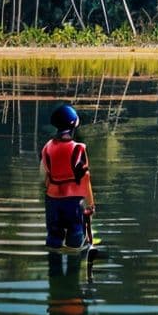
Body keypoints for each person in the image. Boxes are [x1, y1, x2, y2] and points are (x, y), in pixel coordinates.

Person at [41, 104, 95, 250]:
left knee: (53, 238)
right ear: (73, 126)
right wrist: (90, 205)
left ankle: (54, 267)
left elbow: (45, 177)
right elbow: (85, 178)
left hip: (52, 201)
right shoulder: (78, 149)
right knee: (75, 237)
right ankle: (73, 266)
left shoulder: (47, 148)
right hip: (73, 201)